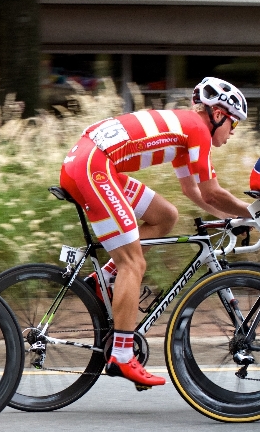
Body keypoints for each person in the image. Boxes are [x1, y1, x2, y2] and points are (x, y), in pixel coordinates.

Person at [60, 77, 253, 388]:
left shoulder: (187, 129)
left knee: (166, 215)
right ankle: (122, 356)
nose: (233, 133)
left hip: (91, 162)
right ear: (218, 115)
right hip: (93, 167)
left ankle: (104, 280)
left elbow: (193, 191)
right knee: (133, 263)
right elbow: (213, 191)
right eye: (234, 124)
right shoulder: (198, 130)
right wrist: (252, 214)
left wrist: (229, 218)